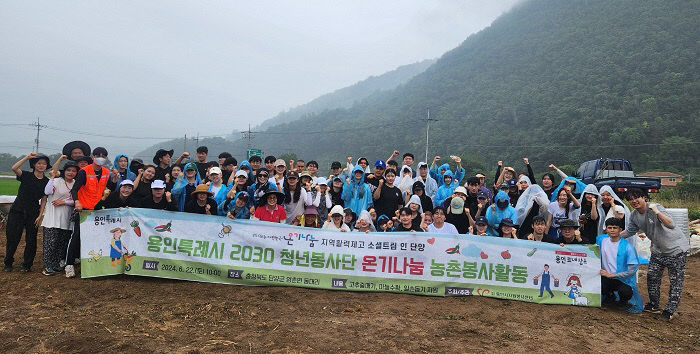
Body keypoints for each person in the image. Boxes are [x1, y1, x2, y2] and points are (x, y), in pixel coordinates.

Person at [623, 188, 690, 320]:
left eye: (636, 197)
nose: (633, 201)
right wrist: (611, 237)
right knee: (652, 276)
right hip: (658, 250)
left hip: (675, 250)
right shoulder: (634, 215)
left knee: (675, 281)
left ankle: (669, 311)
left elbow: (671, 224)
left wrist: (657, 212)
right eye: (630, 199)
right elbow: (630, 231)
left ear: (644, 198)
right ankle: (654, 304)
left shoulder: (655, 207)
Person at [64, 147, 112, 278]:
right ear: (93, 156)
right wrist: (77, 202)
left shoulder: (107, 172)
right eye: (98, 155)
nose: (100, 158)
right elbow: (74, 190)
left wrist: (113, 182)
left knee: (95, 237)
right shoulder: (84, 172)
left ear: (106, 158)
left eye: (103, 156)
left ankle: (93, 263)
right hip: (83, 210)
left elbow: (109, 189)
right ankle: (69, 264)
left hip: (97, 211)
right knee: (76, 236)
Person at [3, 153, 50, 273]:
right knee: (13, 237)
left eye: (44, 164)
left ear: (46, 166)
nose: (41, 165)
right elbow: (14, 168)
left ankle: (27, 265)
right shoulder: (26, 175)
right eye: (39, 163)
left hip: (33, 212)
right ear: (34, 164)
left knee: (31, 239)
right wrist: (27, 157)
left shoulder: (46, 181)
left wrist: (40, 215)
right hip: (17, 210)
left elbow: (44, 199)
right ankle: (8, 263)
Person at [40, 157, 77, 275]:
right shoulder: (56, 181)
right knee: (51, 242)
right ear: (64, 171)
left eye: (73, 171)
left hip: (67, 218)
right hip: (53, 217)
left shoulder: (76, 184)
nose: (71, 173)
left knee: (62, 243)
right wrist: (52, 177)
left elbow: (77, 200)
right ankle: (48, 266)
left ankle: (57, 264)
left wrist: (64, 202)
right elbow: (47, 191)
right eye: (68, 170)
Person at [597, 217, 644, 313]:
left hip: (621, 279)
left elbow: (632, 270)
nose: (612, 230)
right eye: (610, 228)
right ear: (606, 229)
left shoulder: (628, 247)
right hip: (605, 276)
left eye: (615, 228)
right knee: (598, 285)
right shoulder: (601, 240)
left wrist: (613, 275)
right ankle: (609, 296)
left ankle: (623, 301)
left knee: (626, 292)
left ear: (620, 230)